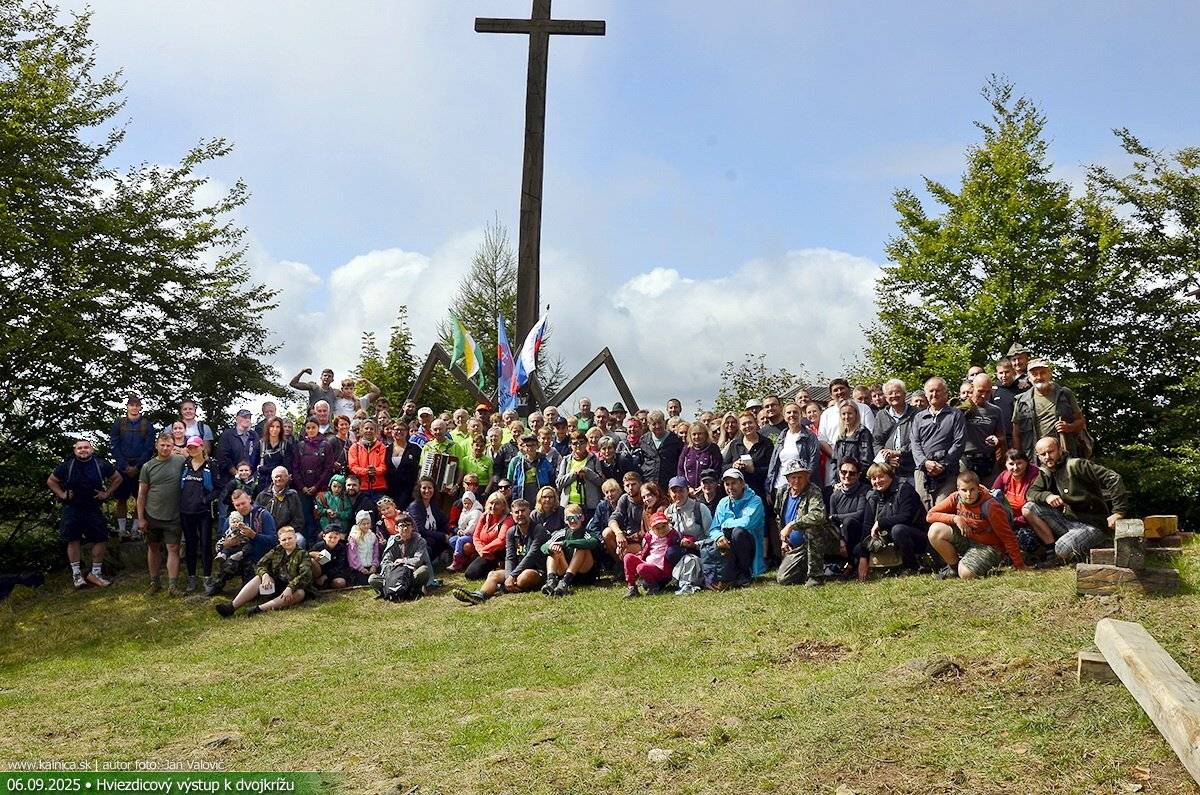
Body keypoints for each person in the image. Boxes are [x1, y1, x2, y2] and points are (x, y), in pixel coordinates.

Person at [1024, 436, 1130, 565]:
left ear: (1060, 449)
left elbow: (1113, 478)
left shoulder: (1077, 465)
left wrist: (1118, 512)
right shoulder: (1046, 472)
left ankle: (1091, 545)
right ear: (1038, 456)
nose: (1047, 457)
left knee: (1062, 549)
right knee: (1029, 508)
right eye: (1043, 454)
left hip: (1092, 524)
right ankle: (1051, 552)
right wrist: (1047, 496)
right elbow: (1031, 493)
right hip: (1069, 521)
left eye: (1051, 452)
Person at [48, 439, 121, 589]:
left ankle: (95, 574)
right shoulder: (67, 466)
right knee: (73, 540)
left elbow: (117, 478)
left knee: (100, 539)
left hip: (93, 507)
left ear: (91, 450)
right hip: (72, 508)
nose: (83, 450)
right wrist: (61, 494)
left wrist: (107, 493)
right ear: (75, 451)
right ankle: (76, 575)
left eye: (86, 447)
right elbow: (51, 481)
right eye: (79, 448)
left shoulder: (101, 464)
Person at [926, 470, 1026, 579]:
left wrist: (1019, 564)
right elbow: (930, 515)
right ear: (958, 490)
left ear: (978, 489)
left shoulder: (991, 506)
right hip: (967, 539)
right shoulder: (955, 497)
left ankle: (969, 566)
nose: (968, 494)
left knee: (966, 574)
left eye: (972, 489)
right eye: (964, 490)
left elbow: (1007, 536)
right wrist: (955, 518)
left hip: (989, 547)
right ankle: (954, 569)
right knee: (935, 530)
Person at [454, 497, 549, 605]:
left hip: (535, 570)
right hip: (516, 569)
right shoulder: (511, 532)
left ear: (529, 512)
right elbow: (510, 557)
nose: (520, 514)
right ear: (512, 515)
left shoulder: (538, 530)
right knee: (493, 575)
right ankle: (480, 595)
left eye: (523, 511)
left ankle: (504, 587)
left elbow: (531, 556)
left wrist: (512, 576)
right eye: (516, 512)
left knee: (524, 576)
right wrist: (509, 576)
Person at [215, 525, 311, 617]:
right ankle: (232, 607)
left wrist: (290, 587)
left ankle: (259, 609)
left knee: (300, 593)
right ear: (279, 541)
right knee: (258, 578)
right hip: (277, 585)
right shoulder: (277, 550)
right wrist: (265, 575)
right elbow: (260, 564)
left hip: (293, 588)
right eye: (284, 540)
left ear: (295, 538)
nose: (287, 542)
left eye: (290, 538)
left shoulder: (303, 554)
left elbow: (305, 575)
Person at [1012, 360, 1090, 462]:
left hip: (1064, 455)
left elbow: (1080, 421)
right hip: (1034, 458)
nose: (1039, 377)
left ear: (1050, 374)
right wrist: (1019, 458)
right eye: (1034, 374)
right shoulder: (1021, 400)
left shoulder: (1065, 394)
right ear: (1029, 377)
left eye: (1043, 373)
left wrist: (1069, 427)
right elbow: (1016, 433)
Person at [138, 432, 186, 596]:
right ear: (156, 446)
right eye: (162, 445)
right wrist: (141, 518)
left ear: (173, 446)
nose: (165, 448)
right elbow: (142, 494)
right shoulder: (147, 466)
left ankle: (172, 586)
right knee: (153, 548)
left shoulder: (181, 461)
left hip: (174, 514)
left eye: (169, 445)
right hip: (152, 513)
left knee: (173, 547)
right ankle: (154, 582)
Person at [774, 460, 836, 587]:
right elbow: (778, 517)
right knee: (783, 579)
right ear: (787, 479)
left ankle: (816, 576)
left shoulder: (813, 491)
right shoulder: (782, 492)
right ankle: (806, 569)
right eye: (793, 477)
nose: (797, 481)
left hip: (817, 540)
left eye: (800, 477)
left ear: (807, 477)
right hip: (795, 545)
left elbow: (818, 515)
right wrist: (784, 540)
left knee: (812, 529)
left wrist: (792, 525)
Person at [703, 469, 764, 588]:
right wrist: (719, 536)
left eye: (734, 483)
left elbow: (746, 522)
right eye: (727, 484)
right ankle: (726, 575)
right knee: (718, 538)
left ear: (742, 483)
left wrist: (725, 525)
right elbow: (714, 529)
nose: (730, 487)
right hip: (728, 546)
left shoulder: (755, 500)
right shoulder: (723, 503)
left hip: (750, 546)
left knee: (738, 532)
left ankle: (745, 574)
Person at [911, 377, 966, 509]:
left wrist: (942, 464)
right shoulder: (919, 417)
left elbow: (959, 442)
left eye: (938, 390)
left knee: (942, 507)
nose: (934, 394)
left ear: (946, 393)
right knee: (924, 509)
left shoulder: (956, 415)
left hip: (948, 471)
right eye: (931, 391)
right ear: (926, 394)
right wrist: (925, 463)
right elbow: (915, 442)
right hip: (923, 471)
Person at [109, 395, 156, 539]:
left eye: (137, 405)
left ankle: (136, 530)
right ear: (127, 407)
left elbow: (149, 448)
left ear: (140, 407)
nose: (134, 408)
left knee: (140, 497)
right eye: (131, 405)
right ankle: (122, 530)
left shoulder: (147, 425)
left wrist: (138, 465)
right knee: (121, 498)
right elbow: (114, 445)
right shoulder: (119, 423)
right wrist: (123, 465)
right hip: (122, 465)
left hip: (141, 466)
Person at [179, 436, 215, 593]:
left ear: (202, 447)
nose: (192, 450)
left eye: (195, 447)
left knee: (206, 545)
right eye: (189, 448)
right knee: (190, 545)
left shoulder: (211, 465)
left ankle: (207, 578)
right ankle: (191, 578)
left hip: (204, 512)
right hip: (186, 511)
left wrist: (206, 500)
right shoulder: (185, 465)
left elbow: (219, 488)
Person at [991, 449, 1041, 558]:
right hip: (1008, 521)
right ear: (1005, 464)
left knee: (1026, 539)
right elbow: (991, 497)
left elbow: (1034, 508)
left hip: (1029, 523)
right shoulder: (1004, 476)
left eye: (1019, 463)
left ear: (1026, 463)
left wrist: (1013, 522)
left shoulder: (1035, 476)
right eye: (1011, 464)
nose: (1015, 468)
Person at [369, 512, 434, 596]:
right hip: (394, 575)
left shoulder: (419, 540)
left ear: (412, 527)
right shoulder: (392, 541)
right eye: (402, 525)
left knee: (423, 570)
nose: (405, 528)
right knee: (372, 579)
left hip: (411, 574)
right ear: (396, 528)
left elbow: (418, 559)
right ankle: (395, 590)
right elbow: (385, 561)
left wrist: (403, 561)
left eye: (408, 525)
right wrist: (397, 568)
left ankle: (405, 589)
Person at [766, 403, 820, 497]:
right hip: (779, 487)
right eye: (788, 412)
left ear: (801, 415)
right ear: (784, 416)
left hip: (800, 487)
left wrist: (804, 483)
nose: (792, 415)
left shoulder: (810, 436)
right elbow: (773, 463)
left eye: (795, 412)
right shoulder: (782, 436)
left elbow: (813, 461)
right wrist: (769, 487)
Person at [621, 511, 679, 598]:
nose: (661, 530)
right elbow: (645, 550)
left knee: (641, 567)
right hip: (648, 562)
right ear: (652, 529)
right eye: (657, 528)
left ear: (667, 525)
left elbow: (684, 537)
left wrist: (687, 541)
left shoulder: (673, 534)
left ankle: (653, 586)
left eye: (663, 526)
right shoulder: (649, 536)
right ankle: (632, 587)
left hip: (662, 569)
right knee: (628, 557)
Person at [961, 373, 1005, 483]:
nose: (984, 395)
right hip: (964, 461)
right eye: (980, 391)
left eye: (988, 392)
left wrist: (997, 439)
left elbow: (1001, 436)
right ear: (972, 388)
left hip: (987, 462)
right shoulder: (959, 408)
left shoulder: (995, 411)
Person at [292, 418, 332, 537]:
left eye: (313, 427)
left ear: (318, 428)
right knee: (304, 516)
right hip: (303, 489)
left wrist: (316, 486)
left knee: (320, 516)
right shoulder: (300, 445)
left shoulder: (326, 445)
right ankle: (306, 543)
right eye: (308, 428)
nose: (310, 430)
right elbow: (295, 467)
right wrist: (302, 486)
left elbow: (328, 468)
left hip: (320, 488)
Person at [872, 379, 918, 484]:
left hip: (912, 468)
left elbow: (918, 441)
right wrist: (886, 458)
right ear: (886, 397)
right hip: (888, 470)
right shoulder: (881, 416)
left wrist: (900, 452)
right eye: (890, 393)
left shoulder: (916, 414)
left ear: (905, 394)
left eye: (897, 392)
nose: (894, 395)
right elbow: (876, 442)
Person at [828, 457, 868, 573]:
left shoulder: (864, 490)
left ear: (858, 475)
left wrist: (835, 517)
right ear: (839, 473)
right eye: (844, 472)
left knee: (848, 522)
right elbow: (832, 522)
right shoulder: (835, 496)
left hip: (860, 534)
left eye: (852, 473)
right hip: (840, 535)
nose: (847, 476)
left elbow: (860, 514)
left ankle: (852, 563)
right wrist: (840, 540)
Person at [465, 490, 513, 581]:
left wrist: (485, 550)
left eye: (497, 504)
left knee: (472, 573)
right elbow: (476, 536)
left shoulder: (508, 518)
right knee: (470, 574)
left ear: (503, 506)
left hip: (499, 553)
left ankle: (500, 567)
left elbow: (501, 541)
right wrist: (481, 550)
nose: (493, 506)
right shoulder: (484, 516)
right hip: (485, 553)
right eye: (491, 503)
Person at [556, 431, 604, 516]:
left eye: (581, 442)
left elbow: (600, 481)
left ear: (586, 443)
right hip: (569, 504)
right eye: (574, 443)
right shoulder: (566, 460)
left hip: (590, 505)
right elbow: (559, 483)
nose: (578, 445)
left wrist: (587, 472)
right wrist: (574, 474)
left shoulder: (593, 459)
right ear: (570, 445)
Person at [254, 466, 307, 542]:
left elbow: (299, 520)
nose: (279, 479)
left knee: (300, 540)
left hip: (286, 532)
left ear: (287, 478)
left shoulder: (293, 495)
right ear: (272, 478)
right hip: (266, 532)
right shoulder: (262, 495)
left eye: (282, 476)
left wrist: (285, 530)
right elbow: (256, 517)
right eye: (276, 476)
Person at [407, 477, 451, 563]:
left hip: (434, 537)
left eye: (430, 488)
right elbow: (420, 530)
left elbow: (444, 521)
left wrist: (452, 531)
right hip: (420, 540)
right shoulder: (414, 507)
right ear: (419, 490)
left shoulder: (433, 505)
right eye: (424, 488)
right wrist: (443, 536)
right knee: (431, 541)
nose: (427, 491)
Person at [638, 410, 684, 490]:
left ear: (664, 422)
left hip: (669, 484)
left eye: (660, 422)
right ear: (648, 425)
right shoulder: (643, 440)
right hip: (649, 483)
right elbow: (641, 461)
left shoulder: (675, 440)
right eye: (654, 424)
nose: (657, 426)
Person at [349, 418, 389, 507]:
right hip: (361, 487)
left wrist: (375, 470)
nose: (369, 431)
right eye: (366, 428)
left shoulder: (381, 447)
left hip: (378, 487)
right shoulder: (354, 447)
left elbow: (384, 466)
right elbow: (353, 466)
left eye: (371, 429)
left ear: (375, 431)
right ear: (361, 430)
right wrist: (366, 471)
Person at [829, 400, 874, 478]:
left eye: (850, 413)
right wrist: (835, 481)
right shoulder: (841, 436)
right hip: (841, 483)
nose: (846, 417)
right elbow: (834, 461)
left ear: (856, 414)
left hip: (858, 482)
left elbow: (866, 461)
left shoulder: (863, 433)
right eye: (843, 414)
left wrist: (852, 477)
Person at [216, 409, 259, 491]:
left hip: (250, 482)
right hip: (229, 480)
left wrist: (250, 475)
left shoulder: (254, 435)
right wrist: (237, 473)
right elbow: (222, 457)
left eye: (249, 417)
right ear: (236, 419)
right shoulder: (227, 435)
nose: (247, 419)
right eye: (243, 417)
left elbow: (257, 457)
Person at [507, 434, 555, 506]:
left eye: (533, 445)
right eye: (527, 445)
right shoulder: (519, 464)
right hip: (524, 497)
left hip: (541, 498)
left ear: (537, 446)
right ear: (523, 447)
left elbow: (552, 480)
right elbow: (515, 485)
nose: (530, 448)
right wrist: (515, 501)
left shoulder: (544, 462)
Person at [384, 421, 422, 511]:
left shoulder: (415, 449)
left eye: (402, 430)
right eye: (396, 430)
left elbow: (421, 469)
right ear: (392, 432)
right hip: (390, 490)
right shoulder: (386, 449)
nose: (399, 432)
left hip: (409, 491)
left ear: (407, 432)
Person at [676, 421, 723, 493]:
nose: (697, 437)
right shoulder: (686, 449)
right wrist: (687, 487)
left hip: (708, 490)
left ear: (706, 434)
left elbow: (717, 469)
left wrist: (704, 486)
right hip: (689, 491)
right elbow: (681, 470)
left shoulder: (713, 448)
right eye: (694, 434)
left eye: (700, 434)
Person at [255, 417, 294, 491]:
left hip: (281, 484)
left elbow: (287, 467)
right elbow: (253, 466)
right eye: (272, 426)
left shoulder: (286, 445)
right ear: (267, 428)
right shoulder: (260, 444)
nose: (275, 429)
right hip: (263, 485)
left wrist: (263, 469)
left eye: (278, 427)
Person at [448, 491, 483, 571]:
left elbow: (472, 526)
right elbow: (461, 524)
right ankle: (463, 560)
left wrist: (464, 533)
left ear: (473, 502)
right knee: (452, 540)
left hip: (473, 535)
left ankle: (456, 562)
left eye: (469, 503)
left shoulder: (476, 512)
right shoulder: (464, 512)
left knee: (460, 540)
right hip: (465, 533)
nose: (467, 505)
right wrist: (459, 531)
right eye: (465, 503)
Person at [308, 523, 351, 590]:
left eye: (335, 537)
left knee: (340, 583)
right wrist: (312, 554)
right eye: (330, 537)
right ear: (324, 536)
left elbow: (340, 566)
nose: (332, 540)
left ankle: (327, 585)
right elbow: (305, 555)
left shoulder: (342, 548)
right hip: (319, 571)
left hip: (334, 574)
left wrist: (326, 576)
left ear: (339, 537)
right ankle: (315, 582)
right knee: (312, 561)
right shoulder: (318, 546)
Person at [347, 509, 380, 585]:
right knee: (363, 582)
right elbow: (352, 555)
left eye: (368, 523)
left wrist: (374, 565)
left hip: (371, 567)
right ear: (358, 524)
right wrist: (360, 568)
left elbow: (376, 552)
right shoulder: (354, 537)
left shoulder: (373, 536)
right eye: (363, 524)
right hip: (359, 568)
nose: (366, 526)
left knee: (374, 580)